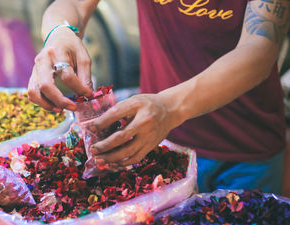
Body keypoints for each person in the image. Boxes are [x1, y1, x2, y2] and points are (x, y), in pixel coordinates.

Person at [28, 0, 290, 194]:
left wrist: (168, 108)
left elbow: (259, 51)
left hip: (246, 151)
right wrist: (59, 33)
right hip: (162, 145)